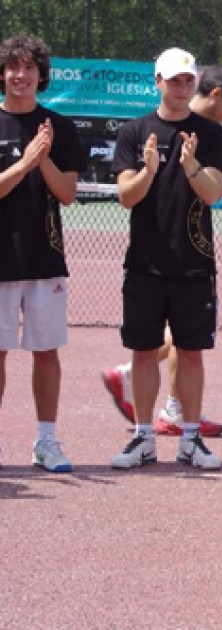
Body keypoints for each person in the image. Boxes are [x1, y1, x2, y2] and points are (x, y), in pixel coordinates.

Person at [101, 66, 222, 438]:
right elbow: (128, 195)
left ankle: (175, 411)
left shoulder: (211, 136)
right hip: (150, 261)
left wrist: (198, 169)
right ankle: (146, 397)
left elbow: (214, 191)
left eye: (187, 81)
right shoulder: (145, 130)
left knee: (187, 343)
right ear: (214, 94)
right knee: (166, 341)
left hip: (193, 263)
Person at [0, 34, 85, 471]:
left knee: (46, 351)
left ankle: (46, 441)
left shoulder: (60, 128)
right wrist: (25, 162)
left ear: (41, 75)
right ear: (3, 74)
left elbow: (68, 194)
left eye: (29, 68)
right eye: (13, 67)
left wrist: (44, 158)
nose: (21, 75)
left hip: (45, 258)